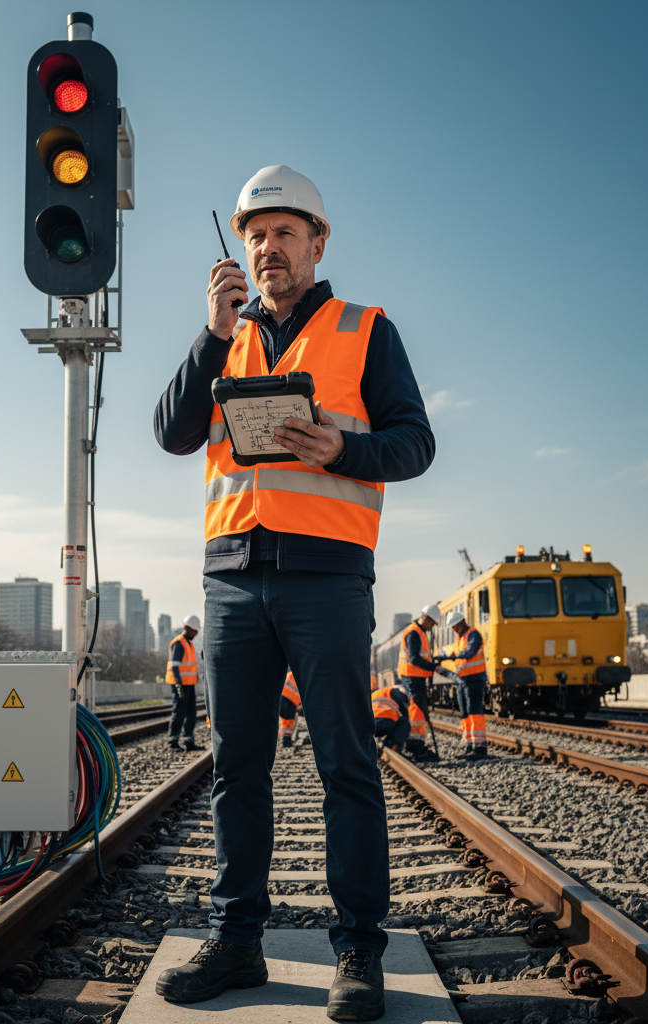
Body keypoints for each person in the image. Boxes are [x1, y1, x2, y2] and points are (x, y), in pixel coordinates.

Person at [152, 164, 435, 1022]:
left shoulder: (365, 330)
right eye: (254, 236)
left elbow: (414, 443)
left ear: (316, 242)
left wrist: (338, 452)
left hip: (327, 577)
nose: (267, 249)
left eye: (284, 233)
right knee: (237, 767)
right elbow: (171, 432)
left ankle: (358, 950)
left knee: (346, 763)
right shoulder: (223, 340)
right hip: (233, 579)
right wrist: (210, 334)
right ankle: (237, 941)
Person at [396, 603, 441, 762]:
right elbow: (414, 658)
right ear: (427, 619)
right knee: (416, 709)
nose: (432, 627)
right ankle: (414, 743)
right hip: (412, 676)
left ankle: (416, 741)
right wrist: (432, 667)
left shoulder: (418, 631)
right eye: (432, 623)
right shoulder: (414, 633)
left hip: (415, 676)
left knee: (418, 709)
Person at [445, 610, 488, 758]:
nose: (454, 630)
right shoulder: (460, 638)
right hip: (463, 680)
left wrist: (455, 655)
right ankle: (469, 744)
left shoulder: (473, 634)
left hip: (474, 679)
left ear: (461, 622)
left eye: (455, 626)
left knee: (474, 711)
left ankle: (480, 746)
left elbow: (470, 652)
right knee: (465, 713)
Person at [166, 615, 202, 752]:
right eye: (194, 631)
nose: (196, 634)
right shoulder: (179, 643)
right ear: (187, 628)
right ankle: (173, 741)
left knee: (191, 713)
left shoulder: (189, 643)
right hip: (180, 684)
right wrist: (178, 685)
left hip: (189, 684)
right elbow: (175, 666)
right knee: (179, 712)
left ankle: (189, 741)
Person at [370, 683, 412, 751]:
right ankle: (393, 745)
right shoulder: (394, 691)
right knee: (404, 722)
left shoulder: (375, 693)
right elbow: (404, 712)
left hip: (369, 724)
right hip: (384, 722)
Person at [278, 670, 302, 747]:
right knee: (289, 720)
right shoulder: (303, 676)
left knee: (285, 720)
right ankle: (286, 739)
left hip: (281, 697)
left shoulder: (289, 674)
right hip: (291, 700)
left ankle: (285, 739)